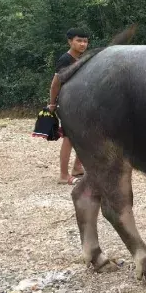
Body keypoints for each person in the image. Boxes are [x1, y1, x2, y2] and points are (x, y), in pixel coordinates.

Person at [48, 28, 89, 185]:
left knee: (84, 137)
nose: (82, 44)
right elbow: (55, 84)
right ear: (70, 41)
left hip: (81, 103)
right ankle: (64, 175)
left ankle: (77, 168)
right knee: (69, 138)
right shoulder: (65, 59)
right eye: (79, 40)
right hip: (68, 104)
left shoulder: (83, 58)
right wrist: (52, 104)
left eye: (85, 41)